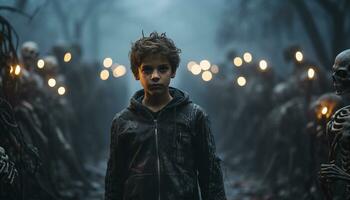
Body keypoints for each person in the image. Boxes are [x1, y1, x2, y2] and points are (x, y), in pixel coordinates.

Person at [105, 32, 227, 200]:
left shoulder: (194, 116)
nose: (155, 76)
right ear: (136, 73)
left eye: (162, 68)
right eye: (147, 69)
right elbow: (114, 180)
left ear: (173, 71)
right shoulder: (123, 121)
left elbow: (210, 175)